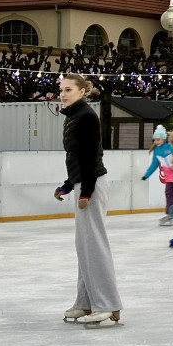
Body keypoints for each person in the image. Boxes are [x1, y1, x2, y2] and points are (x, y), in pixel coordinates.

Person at [54, 74, 122, 325]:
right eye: (61, 89)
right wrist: (69, 185)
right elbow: (77, 157)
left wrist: (85, 191)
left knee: (94, 245)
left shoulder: (86, 117)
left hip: (92, 184)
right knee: (84, 246)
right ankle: (85, 303)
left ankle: (107, 304)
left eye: (69, 89)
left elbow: (92, 156)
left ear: (83, 91)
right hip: (84, 182)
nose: (63, 93)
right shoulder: (73, 116)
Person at [141, 125, 173, 225]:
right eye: (155, 140)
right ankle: (170, 215)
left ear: (164, 139)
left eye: (158, 139)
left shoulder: (170, 148)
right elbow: (154, 165)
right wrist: (146, 175)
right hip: (169, 178)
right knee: (169, 195)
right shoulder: (156, 151)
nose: (156, 141)